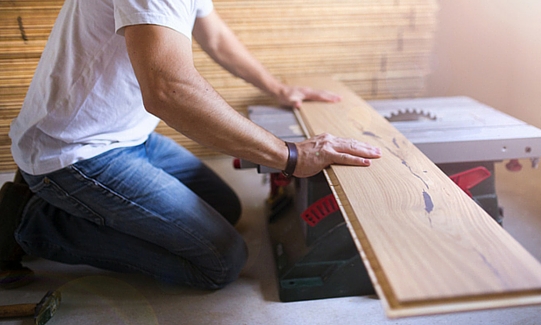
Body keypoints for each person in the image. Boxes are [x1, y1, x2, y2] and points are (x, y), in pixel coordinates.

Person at [0, 0, 381, 290]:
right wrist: (291, 155)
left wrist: (278, 88)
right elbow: (169, 91)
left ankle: (64, 204)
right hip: (74, 152)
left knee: (225, 208)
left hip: (129, 136)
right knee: (220, 262)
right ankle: (29, 221)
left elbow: (213, 35)